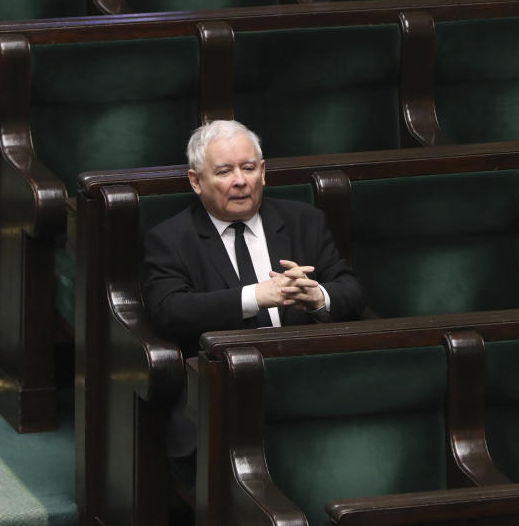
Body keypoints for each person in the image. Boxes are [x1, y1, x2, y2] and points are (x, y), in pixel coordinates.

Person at [142, 119, 364, 359]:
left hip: (306, 367)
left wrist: (318, 297)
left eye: (249, 168)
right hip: (224, 377)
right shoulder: (170, 238)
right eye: (224, 171)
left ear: (263, 172)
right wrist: (255, 296)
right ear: (196, 181)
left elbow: (352, 292)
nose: (240, 181)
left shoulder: (304, 221)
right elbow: (169, 312)